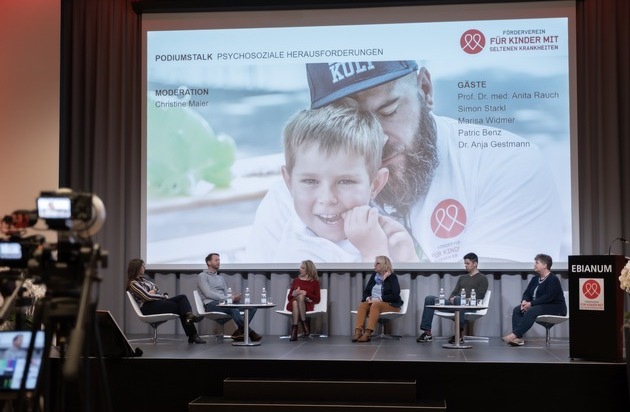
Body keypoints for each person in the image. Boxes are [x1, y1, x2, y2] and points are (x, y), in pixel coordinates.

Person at [246, 60, 563, 263]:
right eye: (351, 121)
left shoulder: (504, 162)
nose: (377, 139)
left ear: (425, 89)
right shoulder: (293, 199)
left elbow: (494, 310)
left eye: (388, 112)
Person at [275, 98, 418, 262]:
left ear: (375, 184)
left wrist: (407, 258)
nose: (327, 198)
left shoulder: (381, 229)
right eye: (310, 181)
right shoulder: (299, 256)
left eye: (345, 182)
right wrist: (375, 254)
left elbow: (416, 287)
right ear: (289, 182)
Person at [126, 258, 206, 344]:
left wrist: (154, 291)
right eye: (143, 265)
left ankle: (190, 320)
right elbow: (147, 297)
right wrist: (161, 296)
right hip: (147, 307)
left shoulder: (144, 280)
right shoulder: (133, 284)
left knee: (182, 297)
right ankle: (193, 333)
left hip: (155, 303)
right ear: (137, 268)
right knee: (181, 307)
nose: (144, 267)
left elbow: (156, 288)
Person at [416, 252, 489, 344]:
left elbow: (480, 296)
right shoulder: (462, 277)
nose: (465, 266)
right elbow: (454, 292)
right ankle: (427, 333)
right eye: (465, 263)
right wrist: (451, 298)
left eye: (468, 263)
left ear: (475, 264)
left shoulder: (482, 278)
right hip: (455, 304)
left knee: (459, 299)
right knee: (429, 298)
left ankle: (459, 335)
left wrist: (461, 299)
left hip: (470, 306)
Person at [502, 253, 566, 346]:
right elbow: (527, 293)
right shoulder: (535, 279)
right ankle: (518, 339)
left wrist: (531, 304)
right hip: (540, 306)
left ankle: (514, 335)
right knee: (517, 309)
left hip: (556, 308)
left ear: (545, 265)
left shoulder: (553, 279)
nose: (534, 264)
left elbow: (548, 297)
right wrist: (524, 301)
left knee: (532, 311)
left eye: (537, 262)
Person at [197, 253, 261, 342]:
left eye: (219, 260)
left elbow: (227, 294)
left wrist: (233, 298)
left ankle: (239, 331)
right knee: (231, 307)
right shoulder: (202, 276)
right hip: (210, 304)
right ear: (209, 262)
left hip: (224, 302)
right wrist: (227, 298)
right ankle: (250, 332)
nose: (218, 262)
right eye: (216, 260)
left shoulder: (220, 278)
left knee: (252, 307)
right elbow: (208, 294)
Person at [352, 255, 403, 343]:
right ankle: (358, 332)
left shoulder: (392, 277)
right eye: (375, 263)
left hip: (391, 304)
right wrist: (368, 298)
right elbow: (366, 291)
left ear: (384, 265)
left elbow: (395, 295)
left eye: (377, 263)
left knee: (375, 304)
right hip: (375, 303)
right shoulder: (374, 277)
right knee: (363, 305)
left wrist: (379, 299)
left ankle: (368, 333)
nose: (374, 265)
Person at [285, 259, 321, 341]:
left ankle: (294, 332)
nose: (300, 269)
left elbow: (317, 299)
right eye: (300, 267)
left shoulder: (315, 282)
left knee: (297, 300)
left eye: (302, 268)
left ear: (308, 269)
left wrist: (306, 293)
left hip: (306, 305)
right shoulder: (296, 280)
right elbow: (289, 297)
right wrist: (294, 294)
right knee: (296, 300)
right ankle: (304, 323)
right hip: (292, 303)